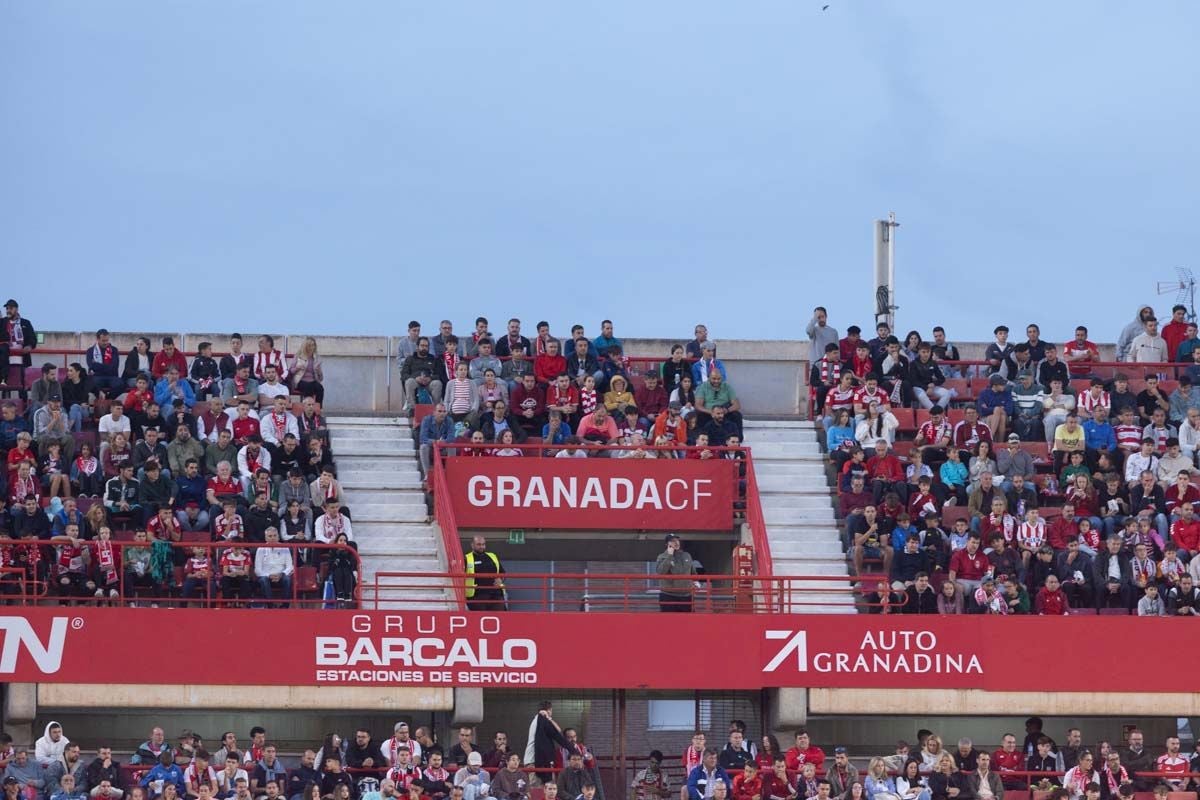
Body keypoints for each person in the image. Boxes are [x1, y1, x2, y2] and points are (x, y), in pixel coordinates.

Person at [465, 535, 506, 611]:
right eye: (479, 544)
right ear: (472, 545)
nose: (481, 547)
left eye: (483, 544)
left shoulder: (492, 556)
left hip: (496, 595)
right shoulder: (466, 558)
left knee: (500, 619)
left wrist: (500, 579)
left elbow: (502, 572)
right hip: (477, 597)